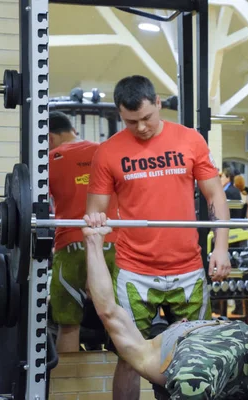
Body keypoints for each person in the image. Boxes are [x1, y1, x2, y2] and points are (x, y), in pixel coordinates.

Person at [82, 213, 248, 399]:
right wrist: (93, 242)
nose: (184, 321)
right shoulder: (155, 351)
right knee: (193, 386)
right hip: (206, 369)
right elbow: (108, 311)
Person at [86, 75, 233, 399]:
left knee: (198, 351)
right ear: (120, 115)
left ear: (158, 104)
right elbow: (95, 215)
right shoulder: (108, 152)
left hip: (188, 267)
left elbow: (215, 197)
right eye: (131, 121)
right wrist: (94, 251)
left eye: (146, 118)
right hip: (134, 269)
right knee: (130, 356)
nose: (140, 127)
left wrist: (220, 247)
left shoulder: (190, 140)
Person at [47, 111, 119, 352]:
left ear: (49, 138)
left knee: (68, 326)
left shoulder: (50, 159)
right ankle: (112, 386)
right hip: (115, 244)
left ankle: (71, 388)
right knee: (119, 323)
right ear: (72, 130)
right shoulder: (106, 151)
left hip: (71, 246)